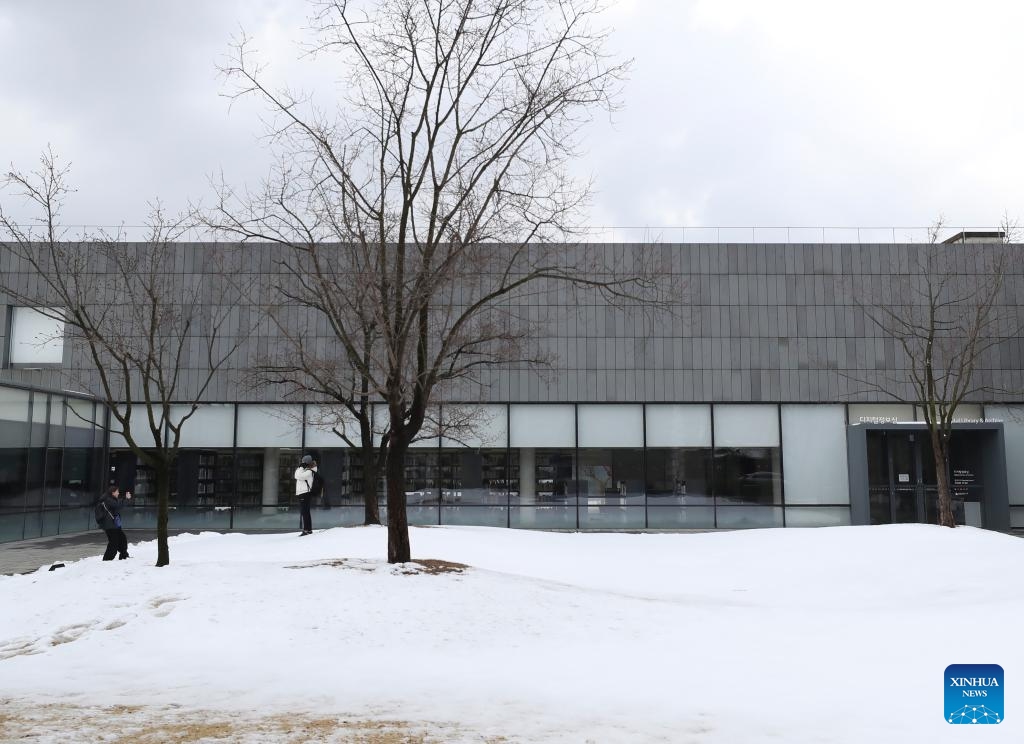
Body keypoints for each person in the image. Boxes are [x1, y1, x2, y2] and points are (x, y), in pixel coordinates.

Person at [95, 485, 131, 560]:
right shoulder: (108, 499)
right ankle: (107, 559)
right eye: (117, 492)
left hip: (114, 524)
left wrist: (125, 498)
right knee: (114, 542)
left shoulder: (111, 499)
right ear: (113, 492)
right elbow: (118, 505)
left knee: (122, 539)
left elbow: (118, 503)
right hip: (110, 525)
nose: (118, 493)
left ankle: (124, 555)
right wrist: (127, 499)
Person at [294, 454, 321, 536]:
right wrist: (301, 468)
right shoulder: (306, 470)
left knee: (305, 512)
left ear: (306, 462)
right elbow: (297, 475)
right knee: (306, 512)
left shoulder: (309, 471)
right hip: (303, 493)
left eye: (303, 462)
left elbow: (297, 476)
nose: (301, 463)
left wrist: (300, 468)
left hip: (305, 493)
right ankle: (308, 529)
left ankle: (306, 530)